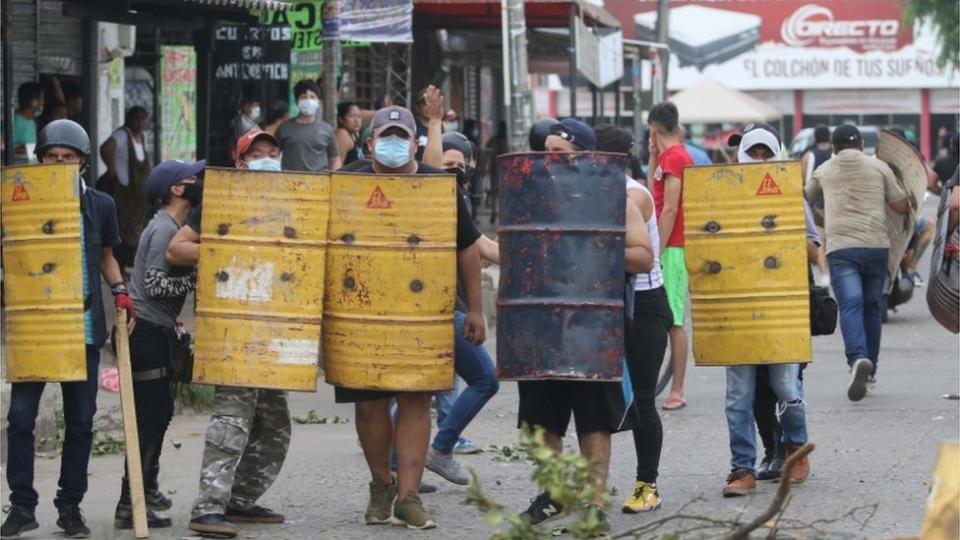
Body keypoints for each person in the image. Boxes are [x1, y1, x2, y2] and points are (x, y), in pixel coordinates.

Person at [336, 106, 487, 530]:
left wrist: (474, 309)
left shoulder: (440, 186)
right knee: (369, 405)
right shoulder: (345, 183)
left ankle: (409, 496)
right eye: (386, 135)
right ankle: (380, 486)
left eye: (402, 135)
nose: (393, 142)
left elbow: (467, 247)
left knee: (417, 399)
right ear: (369, 144)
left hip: (424, 314)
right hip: (359, 315)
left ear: (416, 143)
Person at [518, 118, 653, 534]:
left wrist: (593, 246)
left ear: (586, 155)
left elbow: (642, 257)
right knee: (540, 419)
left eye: (560, 153)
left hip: (592, 324)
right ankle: (555, 494)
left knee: (594, 418)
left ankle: (594, 501)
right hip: (539, 322)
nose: (550, 159)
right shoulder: (529, 194)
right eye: (547, 152)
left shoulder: (615, 196)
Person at [2, 119, 135, 539]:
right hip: (35, 326)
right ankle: (22, 506)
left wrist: (120, 291)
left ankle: (70, 507)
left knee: (81, 422)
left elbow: (107, 256)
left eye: (68, 157)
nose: (59, 162)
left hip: (83, 328)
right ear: (40, 159)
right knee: (20, 419)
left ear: (81, 162)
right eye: (51, 156)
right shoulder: (15, 201)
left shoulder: (100, 205)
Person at [167, 129, 289, 539]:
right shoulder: (220, 201)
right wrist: (228, 247)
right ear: (240, 163)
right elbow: (177, 249)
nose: (267, 158)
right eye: (257, 154)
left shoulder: (295, 200)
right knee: (232, 418)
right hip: (233, 324)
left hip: (276, 327)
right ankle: (208, 507)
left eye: (273, 152)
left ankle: (239, 498)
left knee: (274, 423)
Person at [721, 123, 814, 497]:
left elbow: (812, 247)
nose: (759, 161)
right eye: (753, 154)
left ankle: (796, 446)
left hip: (781, 305)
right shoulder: (722, 194)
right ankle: (741, 468)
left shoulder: (791, 193)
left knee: (785, 385)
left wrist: (781, 232)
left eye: (766, 154)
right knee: (738, 394)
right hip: (736, 305)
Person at [113, 159, 203, 530]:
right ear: (177, 190)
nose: (199, 182)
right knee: (150, 419)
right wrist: (196, 279)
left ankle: (146, 486)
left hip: (156, 331)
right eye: (192, 179)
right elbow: (153, 284)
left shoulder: (172, 225)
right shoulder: (165, 228)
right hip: (146, 332)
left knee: (161, 412)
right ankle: (129, 502)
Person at [594, 124, 670, 514]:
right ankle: (593, 485)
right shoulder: (594, 190)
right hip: (606, 305)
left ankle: (647, 484)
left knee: (641, 399)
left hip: (643, 305)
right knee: (593, 398)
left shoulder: (632, 195)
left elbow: (643, 260)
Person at [806, 125, 909, 402]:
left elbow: (805, 199)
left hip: (842, 248)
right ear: (862, 145)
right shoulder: (878, 167)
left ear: (834, 147)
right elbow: (900, 205)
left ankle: (857, 360)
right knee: (872, 307)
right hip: (876, 246)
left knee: (851, 305)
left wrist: (821, 218)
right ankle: (871, 371)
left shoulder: (825, 169)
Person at [420, 132, 500, 486]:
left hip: (450, 306)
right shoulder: (432, 195)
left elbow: (479, 245)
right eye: (445, 164)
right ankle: (440, 448)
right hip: (445, 308)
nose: (452, 170)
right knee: (485, 379)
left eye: (459, 164)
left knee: (418, 390)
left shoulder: (462, 198)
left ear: (471, 165)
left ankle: (397, 463)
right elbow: (474, 247)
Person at [647, 101, 694, 411]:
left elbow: (670, 208)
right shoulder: (666, 157)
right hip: (668, 246)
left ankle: (677, 389)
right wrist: (652, 156)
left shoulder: (677, 158)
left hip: (674, 248)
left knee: (675, 319)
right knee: (666, 317)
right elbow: (654, 193)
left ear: (652, 129)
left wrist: (657, 249)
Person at [100, 106, 154, 270]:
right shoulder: (123, 134)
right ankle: (118, 268)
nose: (139, 123)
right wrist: (112, 170)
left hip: (137, 199)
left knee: (133, 233)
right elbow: (105, 148)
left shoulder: (141, 138)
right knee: (121, 233)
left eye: (143, 119)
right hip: (123, 194)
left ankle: (123, 267)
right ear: (129, 119)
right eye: (136, 119)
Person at [276, 79, 340, 172]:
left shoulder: (327, 129)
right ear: (297, 101)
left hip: (319, 183)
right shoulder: (284, 128)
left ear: (318, 101)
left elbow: (335, 159)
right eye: (303, 97)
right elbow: (273, 154)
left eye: (312, 97)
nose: (308, 100)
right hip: (290, 183)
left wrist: (334, 180)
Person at [801, 124, 833, 286]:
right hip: (834, 204)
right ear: (829, 138)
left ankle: (824, 273)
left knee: (818, 238)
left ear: (814, 138)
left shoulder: (808, 156)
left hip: (814, 207)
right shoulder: (835, 155)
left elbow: (800, 181)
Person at [13, 82, 43, 164]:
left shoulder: (31, 121)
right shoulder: (14, 122)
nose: (42, 102)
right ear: (34, 102)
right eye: (41, 98)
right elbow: (6, 150)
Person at [335, 102, 364, 166]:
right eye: (352, 116)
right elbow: (337, 167)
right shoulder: (342, 134)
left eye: (359, 116)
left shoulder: (354, 134)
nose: (356, 120)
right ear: (341, 119)